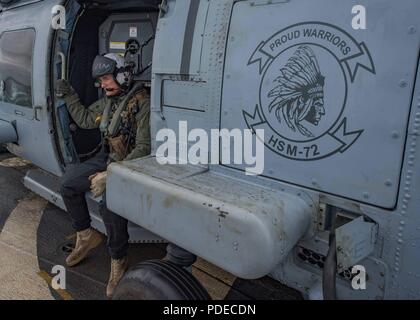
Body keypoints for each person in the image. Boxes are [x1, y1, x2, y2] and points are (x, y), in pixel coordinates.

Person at [55, 53, 151, 298]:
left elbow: (143, 148)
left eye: (106, 78)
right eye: (100, 80)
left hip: (130, 164)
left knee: (110, 205)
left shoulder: (143, 103)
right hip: (107, 157)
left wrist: (112, 174)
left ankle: (118, 259)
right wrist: (69, 95)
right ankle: (86, 236)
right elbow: (87, 119)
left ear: (122, 75)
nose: (103, 84)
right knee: (67, 183)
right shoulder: (111, 101)